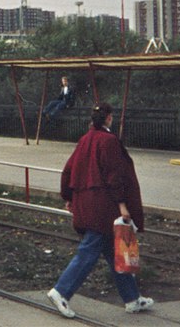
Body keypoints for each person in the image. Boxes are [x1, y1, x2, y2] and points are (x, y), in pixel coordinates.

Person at [47, 102, 154, 319]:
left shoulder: (85, 139)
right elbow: (114, 176)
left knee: (115, 252)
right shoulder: (109, 141)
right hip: (104, 207)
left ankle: (132, 298)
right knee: (89, 251)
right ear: (109, 118)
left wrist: (68, 197)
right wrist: (122, 205)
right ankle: (61, 291)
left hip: (87, 203)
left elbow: (68, 170)